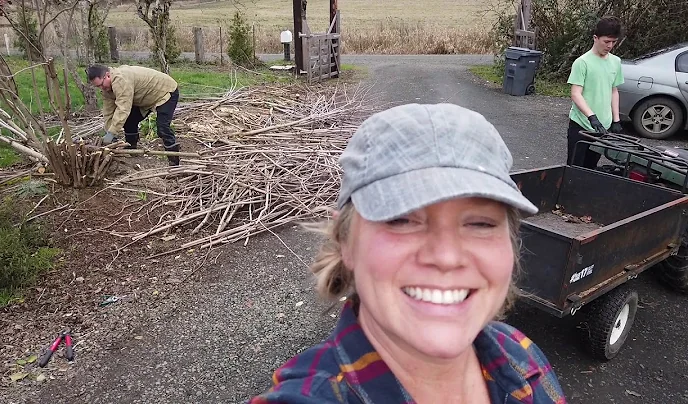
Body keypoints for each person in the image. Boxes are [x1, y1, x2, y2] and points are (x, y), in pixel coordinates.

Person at [248, 103, 566, 403]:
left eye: (481, 224)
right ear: (346, 241)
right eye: (401, 220)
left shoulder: (522, 356)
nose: (446, 257)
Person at [86, 64, 181, 166]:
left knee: (163, 127)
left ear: (107, 75)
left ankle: (174, 161)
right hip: (144, 97)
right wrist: (109, 131)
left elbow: (123, 109)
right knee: (129, 121)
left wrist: (112, 133)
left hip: (165, 91)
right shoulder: (107, 89)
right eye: (98, 86)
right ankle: (131, 150)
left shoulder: (121, 80)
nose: (101, 88)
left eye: (101, 84)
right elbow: (108, 112)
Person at [566, 16, 624, 168]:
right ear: (595, 38)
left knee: (591, 167)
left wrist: (616, 120)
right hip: (582, 125)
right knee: (574, 166)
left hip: (602, 127)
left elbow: (614, 90)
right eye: (606, 41)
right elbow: (575, 93)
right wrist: (591, 116)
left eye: (614, 42)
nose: (610, 46)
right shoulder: (582, 62)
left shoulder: (616, 62)